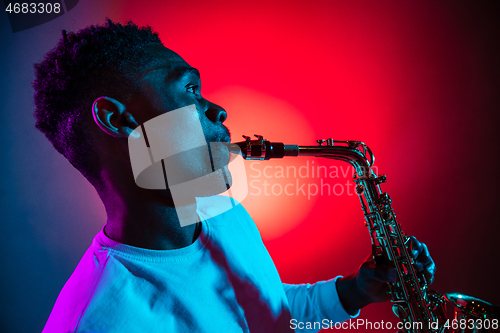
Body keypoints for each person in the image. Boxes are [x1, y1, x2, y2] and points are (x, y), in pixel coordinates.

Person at [34, 20, 436, 333]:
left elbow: (273, 314)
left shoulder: (219, 208)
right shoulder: (101, 320)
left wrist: (356, 290)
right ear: (118, 119)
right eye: (189, 89)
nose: (218, 110)